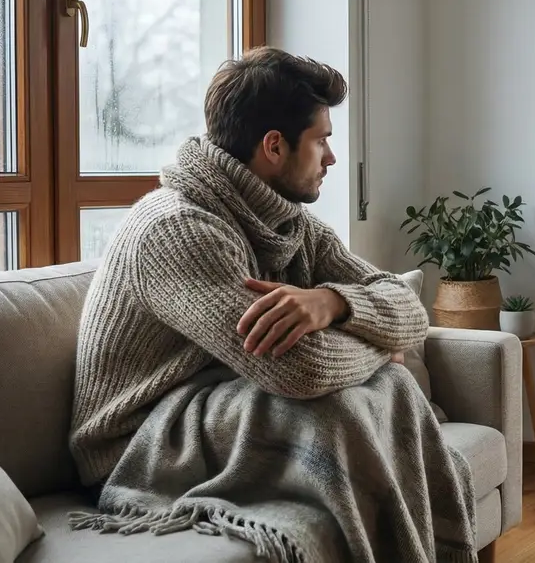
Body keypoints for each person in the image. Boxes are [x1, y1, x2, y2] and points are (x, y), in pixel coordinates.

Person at [68, 46, 430, 492]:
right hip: (140, 441)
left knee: (377, 393)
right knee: (357, 397)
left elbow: (411, 310)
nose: (331, 157)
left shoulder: (293, 226)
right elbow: (302, 371)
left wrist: (334, 303)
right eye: (321, 140)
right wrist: (380, 350)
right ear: (275, 146)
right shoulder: (177, 230)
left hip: (220, 400)